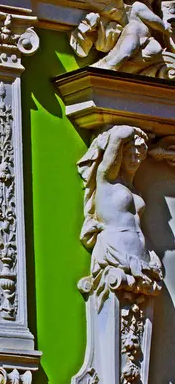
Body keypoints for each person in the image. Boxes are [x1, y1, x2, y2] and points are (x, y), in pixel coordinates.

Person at [77, 125, 162, 308]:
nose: (134, 160)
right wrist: (133, 131)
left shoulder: (134, 190)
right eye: (130, 154)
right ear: (119, 155)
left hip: (140, 258)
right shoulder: (106, 181)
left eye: (138, 156)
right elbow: (118, 135)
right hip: (115, 253)